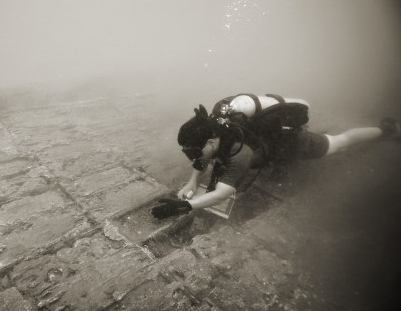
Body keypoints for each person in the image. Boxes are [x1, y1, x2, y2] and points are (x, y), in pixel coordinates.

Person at [151, 94, 400, 220]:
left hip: (291, 143)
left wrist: (183, 206)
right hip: (266, 146)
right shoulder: (216, 129)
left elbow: (223, 194)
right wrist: (193, 181)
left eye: (193, 152)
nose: (192, 158)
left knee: (340, 143)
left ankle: (388, 131)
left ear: (209, 141)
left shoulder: (242, 151)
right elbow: (205, 158)